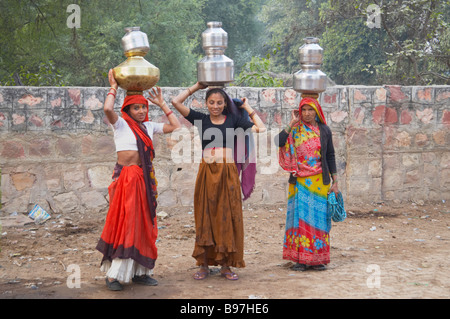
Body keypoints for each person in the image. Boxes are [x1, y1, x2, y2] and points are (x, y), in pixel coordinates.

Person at [96, 69, 181, 291]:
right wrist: (113, 86)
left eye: (144, 107)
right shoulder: (121, 125)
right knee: (127, 223)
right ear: (127, 110)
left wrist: (162, 104)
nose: (141, 111)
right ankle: (114, 275)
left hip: (143, 180)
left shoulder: (149, 127)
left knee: (144, 224)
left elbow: (176, 127)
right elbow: (107, 108)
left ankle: (141, 272)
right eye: (136, 107)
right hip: (126, 179)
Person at [171, 82, 266, 281]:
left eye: (219, 103)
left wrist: (247, 107)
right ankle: (204, 264)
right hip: (207, 172)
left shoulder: (234, 120)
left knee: (227, 216)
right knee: (205, 216)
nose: (215, 106)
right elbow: (175, 102)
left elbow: (261, 128)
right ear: (206, 103)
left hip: (228, 173)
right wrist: (197, 86)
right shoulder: (200, 119)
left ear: (225, 104)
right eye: (212, 102)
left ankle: (226, 265)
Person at [275, 97, 338, 271]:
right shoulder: (295, 130)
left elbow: (330, 156)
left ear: (317, 111)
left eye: (310, 110)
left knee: (318, 221)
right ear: (299, 112)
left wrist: (336, 181)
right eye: (304, 110)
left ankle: (317, 260)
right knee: (300, 220)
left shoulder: (324, 130)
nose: (307, 114)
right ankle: (300, 260)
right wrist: (291, 123)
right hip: (300, 183)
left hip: (319, 182)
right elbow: (278, 141)